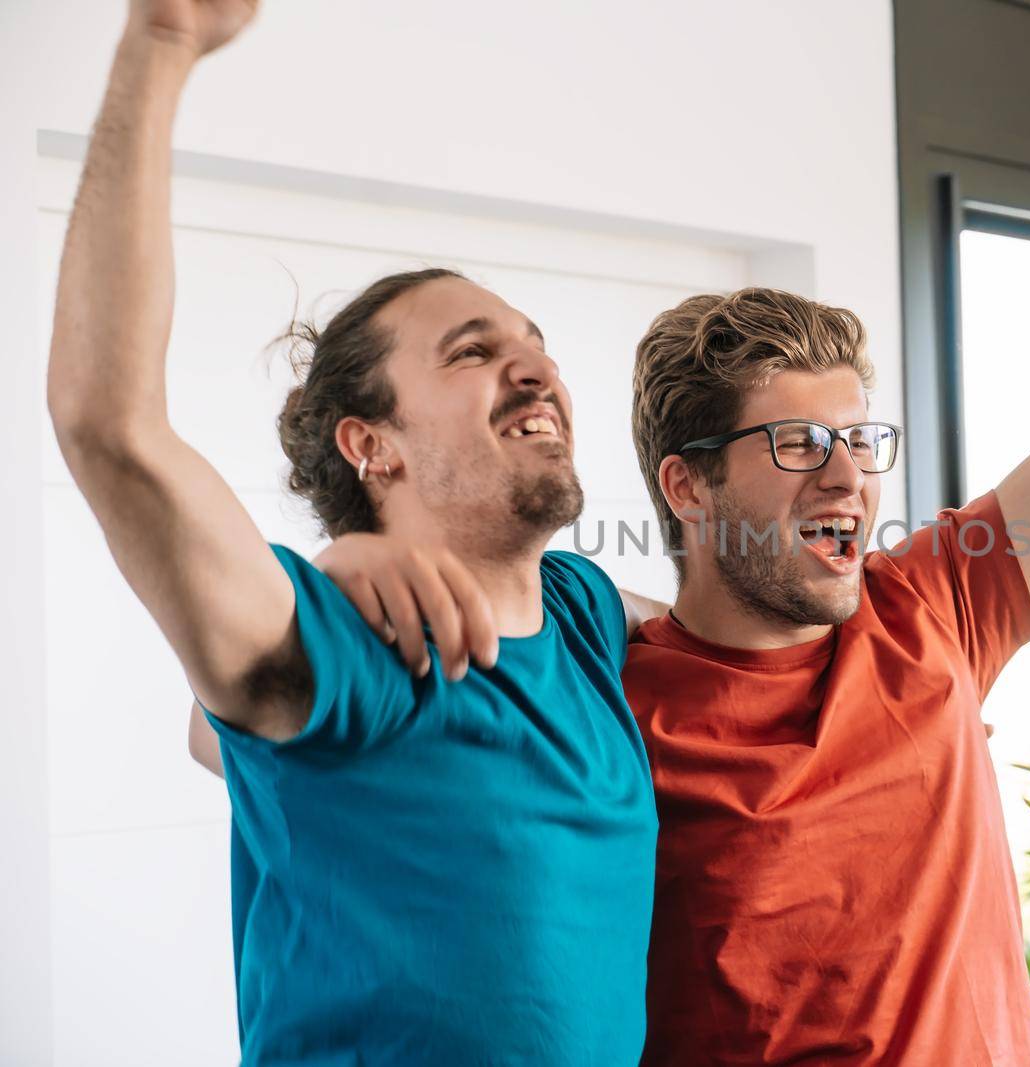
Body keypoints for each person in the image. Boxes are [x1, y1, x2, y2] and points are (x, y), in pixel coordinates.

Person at [195, 29, 1030, 1067]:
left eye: (856, 437)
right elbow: (236, 723)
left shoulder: (936, 610)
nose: (848, 473)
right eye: (793, 444)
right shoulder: (604, 696)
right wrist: (345, 571)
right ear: (686, 485)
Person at [47, 2, 661, 1063]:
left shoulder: (584, 614)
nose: (535, 367)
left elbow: (743, 638)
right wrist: (160, 49)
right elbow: (113, 427)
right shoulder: (343, 649)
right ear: (371, 444)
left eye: (537, 343)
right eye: (472, 350)